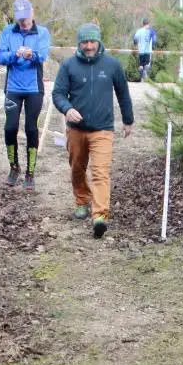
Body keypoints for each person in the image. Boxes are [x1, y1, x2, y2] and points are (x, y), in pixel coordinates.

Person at [51, 23, 134, 239]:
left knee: (100, 172)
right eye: (85, 42)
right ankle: (81, 200)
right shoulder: (69, 66)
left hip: (103, 129)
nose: (89, 46)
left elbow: (123, 94)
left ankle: (99, 216)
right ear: (79, 43)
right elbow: (58, 93)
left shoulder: (112, 65)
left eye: (92, 42)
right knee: (77, 168)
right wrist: (67, 109)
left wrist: (128, 120)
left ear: (99, 42)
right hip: (76, 130)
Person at [0, 0, 51, 190]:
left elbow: (43, 55)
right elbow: (1, 58)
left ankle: (30, 172)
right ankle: (14, 167)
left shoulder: (42, 32)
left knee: (30, 129)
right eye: (20, 20)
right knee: (10, 128)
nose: (24, 23)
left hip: (34, 89)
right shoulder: (7, 32)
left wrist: (31, 54)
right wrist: (15, 54)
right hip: (13, 87)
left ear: (32, 13)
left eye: (26, 18)